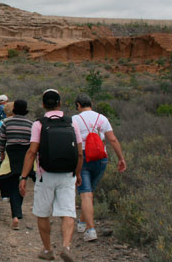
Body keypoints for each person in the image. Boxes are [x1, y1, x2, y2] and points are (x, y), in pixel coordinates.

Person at [19, 89, 83, 262]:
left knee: (43, 213)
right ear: (60, 103)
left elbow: (32, 151)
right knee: (68, 212)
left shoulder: (39, 124)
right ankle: (66, 246)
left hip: (44, 175)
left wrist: (23, 177)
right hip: (67, 174)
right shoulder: (72, 123)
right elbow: (79, 153)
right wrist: (77, 174)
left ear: (43, 104)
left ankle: (47, 250)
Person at [73, 93, 126, 242]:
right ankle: (82, 223)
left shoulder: (74, 119)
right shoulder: (102, 118)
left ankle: (91, 230)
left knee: (86, 194)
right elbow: (113, 139)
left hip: (82, 157)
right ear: (91, 103)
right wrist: (121, 158)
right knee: (89, 193)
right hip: (101, 158)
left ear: (78, 105)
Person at [0, 100, 33, 230]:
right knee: (22, 182)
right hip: (26, 156)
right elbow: (33, 142)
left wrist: (1, 153)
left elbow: (2, 139)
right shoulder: (31, 124)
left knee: (13, 184)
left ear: (14, 110)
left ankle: (15, 216)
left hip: (11, 154)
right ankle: (18, 212)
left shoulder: (7, 123)